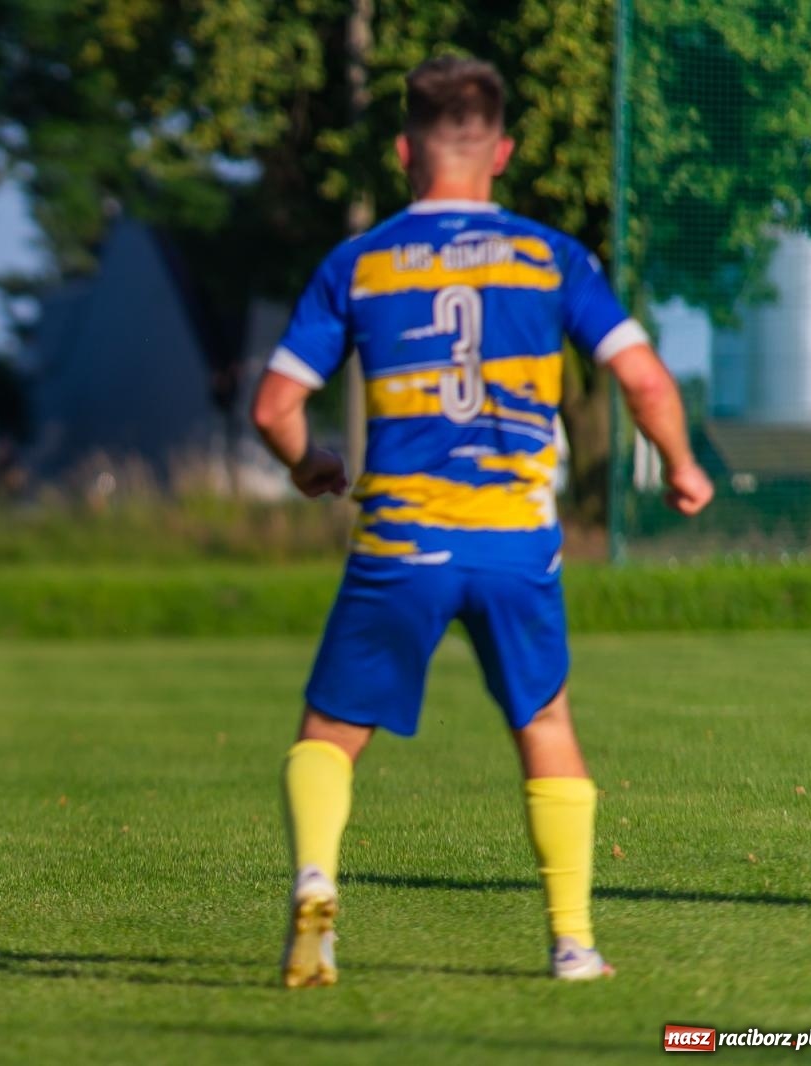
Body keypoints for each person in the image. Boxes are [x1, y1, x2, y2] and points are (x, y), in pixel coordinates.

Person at [251, 56, 713, 987]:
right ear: (500, 152)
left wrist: (310, 466)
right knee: (545, 720)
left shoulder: (361, 262)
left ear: (401, 151)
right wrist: (682, 464)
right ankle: (574, 943)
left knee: (329, 731)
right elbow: (645, 378)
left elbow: (272, 406)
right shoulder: (553, 258)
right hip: (514, 544)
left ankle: (315, 889)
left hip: (399, 543)